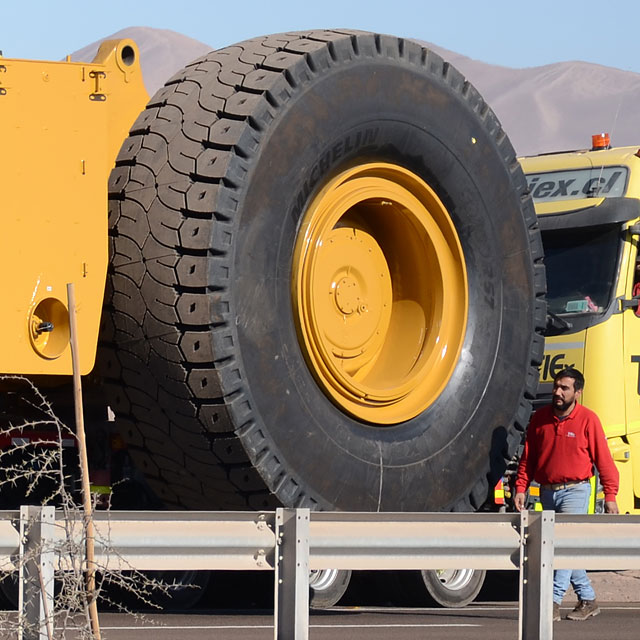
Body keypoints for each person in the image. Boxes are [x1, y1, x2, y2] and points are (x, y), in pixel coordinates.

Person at [514, 367, 619, 622]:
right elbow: (528, 459)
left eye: (565, 388)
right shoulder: (539, 419)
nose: (558, 392)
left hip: (576, 491)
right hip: (546, 493)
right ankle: (588, 599)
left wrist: (611, 495)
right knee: (561, 549)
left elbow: (604, 460)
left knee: (561, 548)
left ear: (577, 393)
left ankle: (551, 602)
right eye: (556, 386)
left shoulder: (588, 420)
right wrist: (520, 487)